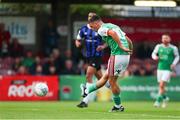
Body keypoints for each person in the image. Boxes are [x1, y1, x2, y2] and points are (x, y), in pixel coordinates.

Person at [81, 15, 133, 112]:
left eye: (92, 27)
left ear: (96, 23)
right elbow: (127, 39)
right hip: (125, 56)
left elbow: (112, 34)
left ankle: (118, 106)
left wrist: (121, 46)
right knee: (105, 77)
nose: (93, 29)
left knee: (112, 82)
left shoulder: (101, 29)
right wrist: (130, 49)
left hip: (117, 56)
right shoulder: (113, 25)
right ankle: (87, 90)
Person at [75, 12, 108, 108]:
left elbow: (108, 41)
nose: (90, 18)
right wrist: (78, 43)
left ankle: (85, 97)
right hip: (88, 57)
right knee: (102, 80)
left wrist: (103, 46)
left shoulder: (100, 29)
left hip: (97, 55)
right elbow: (78, 40)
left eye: (92, 17)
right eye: (89, 16)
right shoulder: (83, 29)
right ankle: (115, 92)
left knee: (88, 75)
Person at [152, 34, 179, 108]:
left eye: (166, 38)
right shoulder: (158, 46)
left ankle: (157, 101)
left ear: (169, 39)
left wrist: (173, 63)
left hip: (168, 69)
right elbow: (153, 53)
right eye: (163, 38)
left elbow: (177, 56)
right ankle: (165, 98)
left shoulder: (173, 48)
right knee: (161, 86)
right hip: (160, 68)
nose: (164, 39)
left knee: (161, 85)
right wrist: (155, 57)